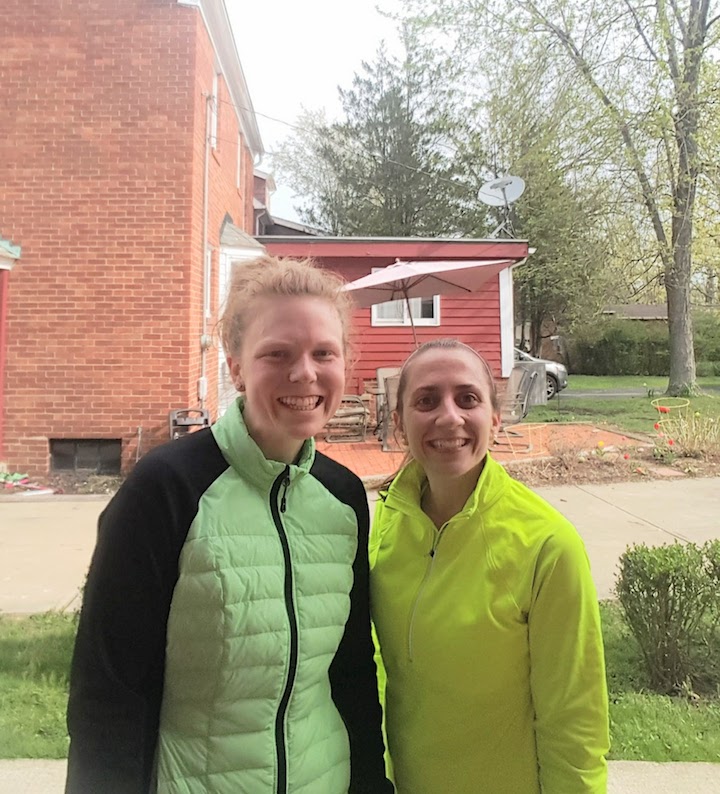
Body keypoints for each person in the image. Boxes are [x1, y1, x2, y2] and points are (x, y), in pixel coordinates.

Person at [66, 255, 393, 793]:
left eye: (323, 353)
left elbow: (352, 669)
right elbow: (109, 688)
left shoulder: (343, 496)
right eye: (277, 353)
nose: (304, 373)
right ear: (236, 367)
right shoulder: (166, 489)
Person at [370, 338, 609, 793]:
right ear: (399, 423)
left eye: (467, 399)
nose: (449, 417)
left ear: (495, 418)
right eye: (426, 401)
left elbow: (575, 722)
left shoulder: (548, 547)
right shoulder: (389, 521)